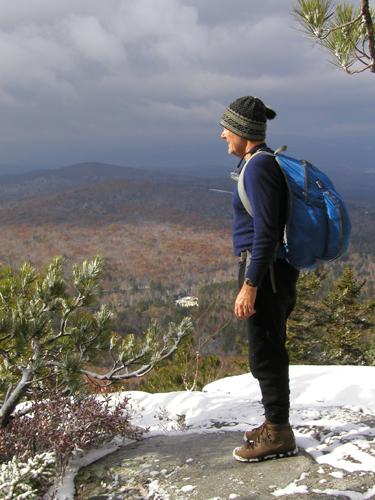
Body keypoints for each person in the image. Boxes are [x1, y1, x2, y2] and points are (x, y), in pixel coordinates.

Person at [220, 96, 299, 462]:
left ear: (243, 132)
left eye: (227, 128)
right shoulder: (256, 164)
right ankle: (273, 424)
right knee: (265, 350)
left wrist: (249, 284)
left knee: (266, 352)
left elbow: (267, 232)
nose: (222, 135)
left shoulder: (259, 168)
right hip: (267, 269)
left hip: (265, 271)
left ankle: (279, 434)